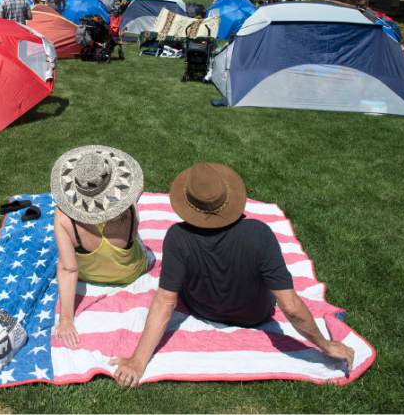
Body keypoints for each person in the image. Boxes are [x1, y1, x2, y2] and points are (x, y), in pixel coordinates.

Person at [110, 162, 355, 387]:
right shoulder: (260, 234)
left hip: (202, 309)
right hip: (255, 315)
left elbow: (165, 300)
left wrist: (138, 360)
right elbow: (290, 306)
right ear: (228, 199)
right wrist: (325, 345)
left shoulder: (177, 238)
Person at [51, 146, 150, 348]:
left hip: (87, 276)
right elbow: (139, 186)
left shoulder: (62, 219)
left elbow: (68, 269)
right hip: (130, 273)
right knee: (137, 240)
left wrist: (66, 320)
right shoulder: (129, 207)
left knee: (64, 259)